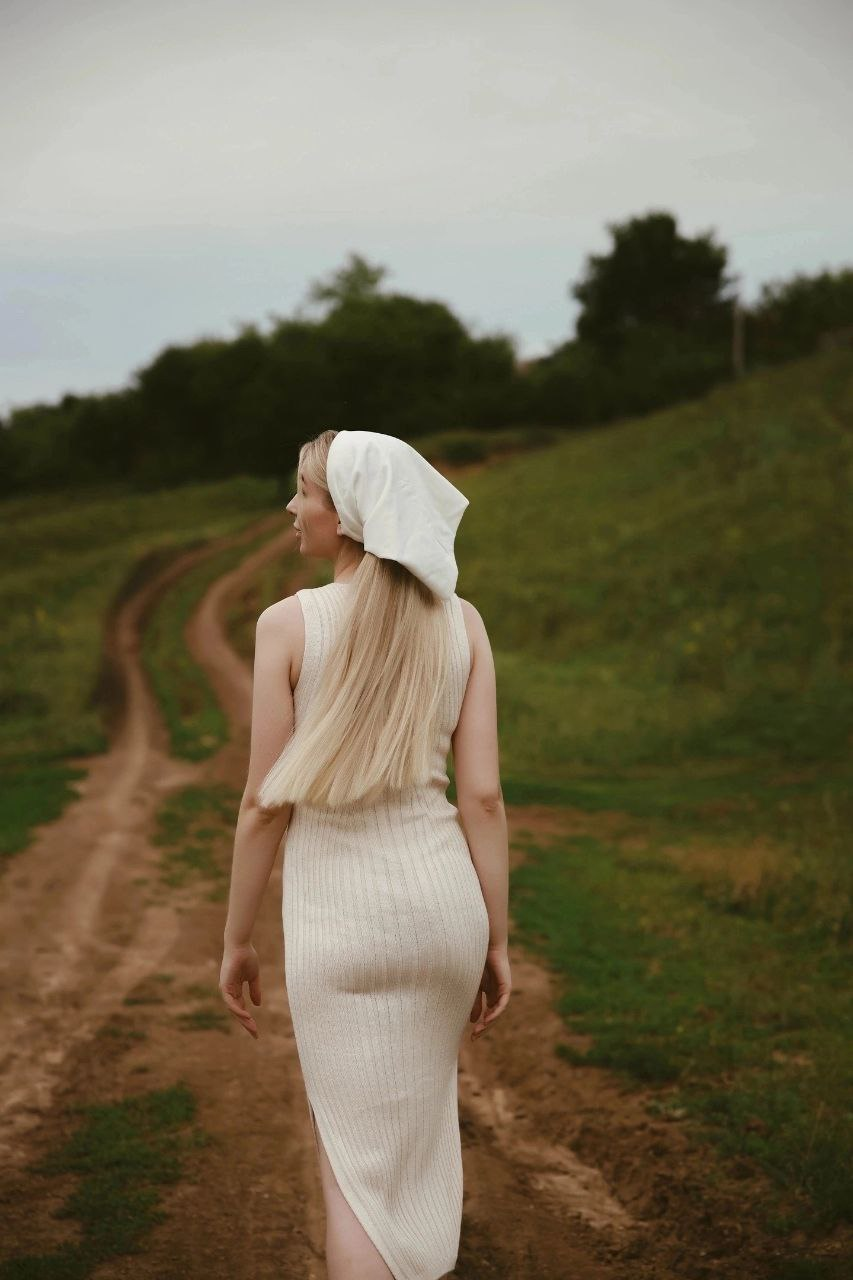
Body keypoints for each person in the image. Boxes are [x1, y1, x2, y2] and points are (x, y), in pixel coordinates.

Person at [219, 428, 511, 1280]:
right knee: (416, 1150)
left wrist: (237, 942)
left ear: (345, 514)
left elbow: (263, 805)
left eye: (302, 492)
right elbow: (483, 799)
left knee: (354, 1174)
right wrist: (495, 938)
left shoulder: (288, 625)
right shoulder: (463, 624)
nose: (291, 507)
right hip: (443, 915)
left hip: (337, 928)